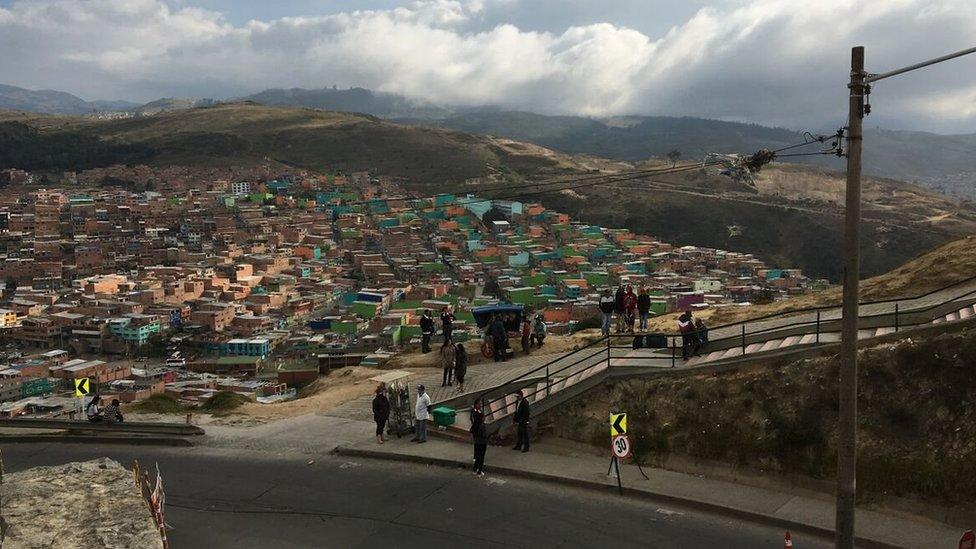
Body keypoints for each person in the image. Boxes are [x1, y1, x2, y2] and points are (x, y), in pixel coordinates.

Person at [470, 399, 488, 476]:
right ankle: (479, 471)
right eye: (479, 404)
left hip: (478, 437)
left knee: (478, 454)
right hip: (480, 439)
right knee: (481, 455)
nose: (481, 405)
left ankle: (475, 468)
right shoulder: (480, 422)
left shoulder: (477, 413)